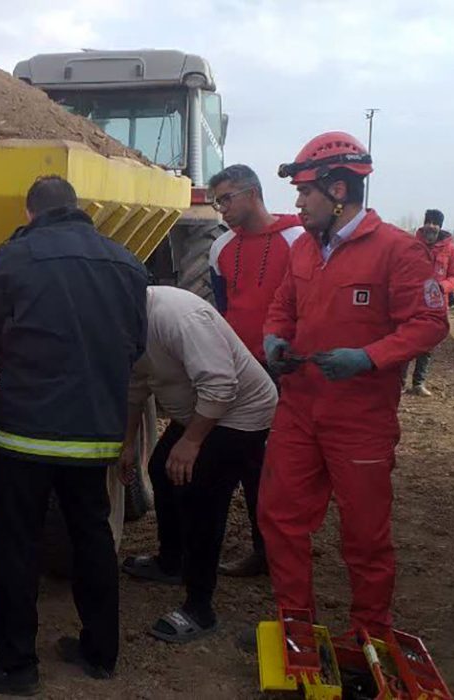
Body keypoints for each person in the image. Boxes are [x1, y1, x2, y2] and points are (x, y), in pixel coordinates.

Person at [0, 176, 149, 695]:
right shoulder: (126, 261)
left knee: (17, 545)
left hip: (28, 433)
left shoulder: (17, 256)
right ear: (80, 210)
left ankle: (16, 665)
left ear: (31, 212)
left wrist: (11, 360)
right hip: (95, 435)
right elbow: (135, 343)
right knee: (93, 539)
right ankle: (100, 652)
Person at [259, 132, 448, 642]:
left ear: (338, 189)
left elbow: (430, 323)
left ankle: (370, 631)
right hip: (299, 409)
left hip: (360, 419)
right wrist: (276, 337)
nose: (297, 204)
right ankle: (295, 621)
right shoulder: (305, 250)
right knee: (279, 518)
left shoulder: (397, 252)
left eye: (305, 192)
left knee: (365, 535)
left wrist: (368, 358)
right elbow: (283, 304)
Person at [120, 286, 277, 643]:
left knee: (198, 493)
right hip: (200, 409)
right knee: (161, 469)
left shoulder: (178, 317)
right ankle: (171, 561)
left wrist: (191, 442)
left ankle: (199, 608)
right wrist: (127, 443)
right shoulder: (124, 320)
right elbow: (135, 385)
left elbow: (221, 385)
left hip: (240, 413)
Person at [206, 164, 302, 576]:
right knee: (240, 460)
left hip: (284, 371)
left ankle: (274, 553)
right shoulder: (220, 248)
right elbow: (224, 308)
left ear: (252, 193)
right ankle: (253, 549)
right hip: (239, 371)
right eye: (217, 201)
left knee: (274, 466)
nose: (221, 209)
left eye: (226, 199)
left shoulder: (298, 240)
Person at [402, 209, 454, 396]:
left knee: (427, 344)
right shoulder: (411, 245)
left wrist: (442, 287)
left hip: (436, 305)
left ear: (440, 227)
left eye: (435, 223)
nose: (431, 226)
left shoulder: (450, 249)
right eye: (429, 222)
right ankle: (400, 384)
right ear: (424, 223)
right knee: (406, 342)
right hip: (412, 302)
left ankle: (418, 383)